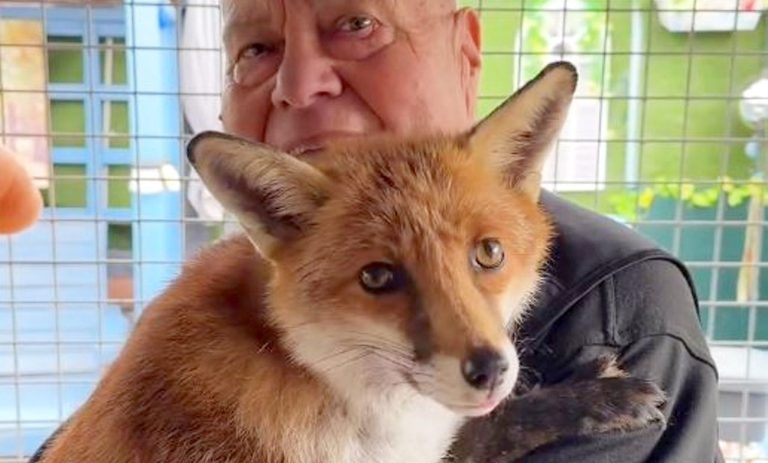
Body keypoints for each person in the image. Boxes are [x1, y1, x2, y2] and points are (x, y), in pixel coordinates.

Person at [29, 1, 723, 461]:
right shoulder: (210, 307)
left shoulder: (610, 306)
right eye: (256, 50)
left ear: (465, 51)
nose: (298, 84)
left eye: (357, 22)